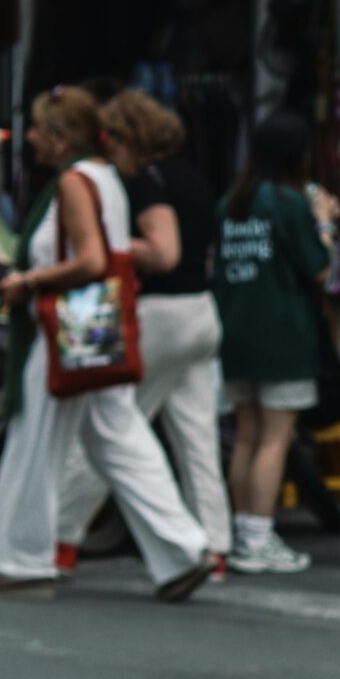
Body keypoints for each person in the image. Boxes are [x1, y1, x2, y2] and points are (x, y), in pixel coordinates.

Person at [0, 87, 216, 601]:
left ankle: (23, 556)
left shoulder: (75, 182)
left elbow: (92, 260)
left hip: (68, 324)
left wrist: (28, 282)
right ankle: (183, 548)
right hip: (98, 322)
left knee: (38, 437)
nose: (32, 138)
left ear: (61, 139)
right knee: (117, 433)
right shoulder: (107, 178)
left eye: (40, 129)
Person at [53, 90, 230, 574]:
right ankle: (214, 544)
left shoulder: (147, 181)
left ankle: (62, 535)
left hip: (160, 315)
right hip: (200, 312)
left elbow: (164, 252)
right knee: (197, 437)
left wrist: (107, 244)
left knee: (112, 427)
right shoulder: (191, 177)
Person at [214, 112, 331, 574]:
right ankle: (260, 538)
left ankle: (244, 533)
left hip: (235, 333)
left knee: (246, 435)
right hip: (283, 336)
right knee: (275, 440)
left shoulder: (231, 201)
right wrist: (324, 223)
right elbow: (319, 268)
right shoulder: (289, 202)